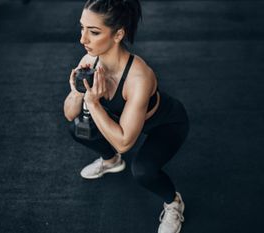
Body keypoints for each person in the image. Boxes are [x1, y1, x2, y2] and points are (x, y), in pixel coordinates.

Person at [63, 1, 189, 232]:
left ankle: (174, 203)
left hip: (165, 123)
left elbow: (124, 142)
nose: (83, 39)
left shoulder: (139, 77)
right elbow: (70, 114)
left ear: (118, 34)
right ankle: (111, 162)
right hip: (123, 122)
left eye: (93, 32)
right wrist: (77, 92)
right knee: (78, 127)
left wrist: (93, 103)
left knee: (143, 170)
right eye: (82, 28)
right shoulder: (89, 62)